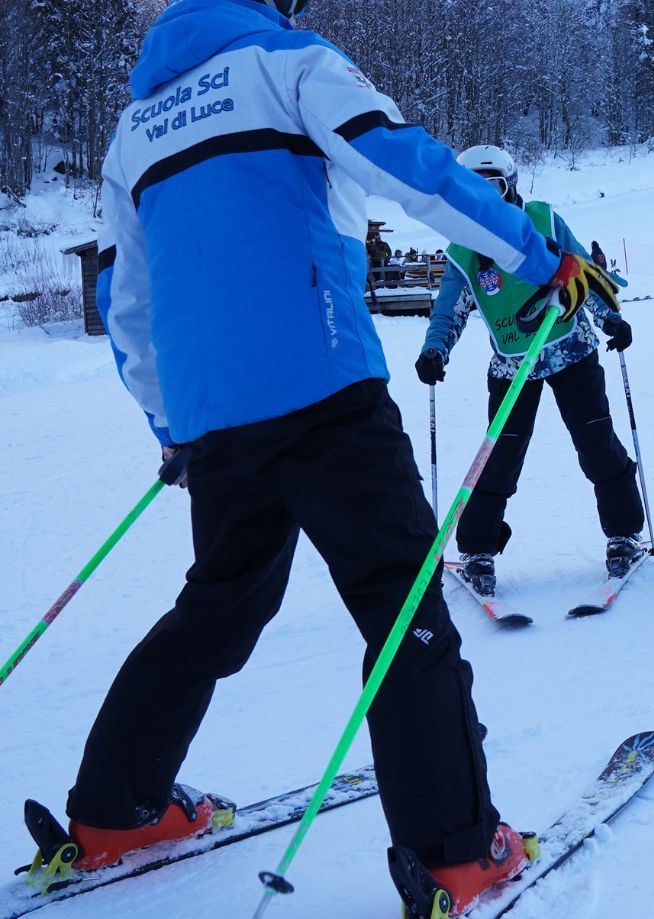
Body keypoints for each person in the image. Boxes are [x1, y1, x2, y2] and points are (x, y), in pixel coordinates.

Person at [82, 0, 615, 913]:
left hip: (215, 419)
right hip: (323, 388)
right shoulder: (289, 63)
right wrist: (535, 255)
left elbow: (125, 300)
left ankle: (115, 809)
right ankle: (455, 848)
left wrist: (170, 425)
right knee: (401, 600)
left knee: (219, 605)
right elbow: (410, 166)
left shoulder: (135, 128)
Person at [415, 145, 644, 592]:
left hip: (570, 352)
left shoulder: (543, 220)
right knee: (498, 459)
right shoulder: (463, 250)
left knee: (596, 445)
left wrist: (610, 315)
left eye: (493, 189)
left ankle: (624, 535)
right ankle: (478, 548)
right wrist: (434, 350)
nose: (484, 201)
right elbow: (449, 310)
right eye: (471, 191)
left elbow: (583, 272)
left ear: (512, 188)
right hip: (511, 366)